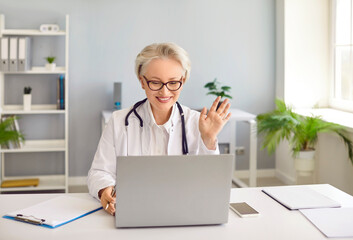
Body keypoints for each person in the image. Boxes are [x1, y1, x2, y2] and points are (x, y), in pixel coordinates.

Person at [87, 42, 232, 215]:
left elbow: (211, 184)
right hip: (135, 211)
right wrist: (105, 192)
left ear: (183, 81)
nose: (164, 92)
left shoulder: (196, 122)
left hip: (184, 211)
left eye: (173, 82)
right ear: (142, 81)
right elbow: (99, 172)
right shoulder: (119, 121)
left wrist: (209, 140)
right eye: (155, 82)